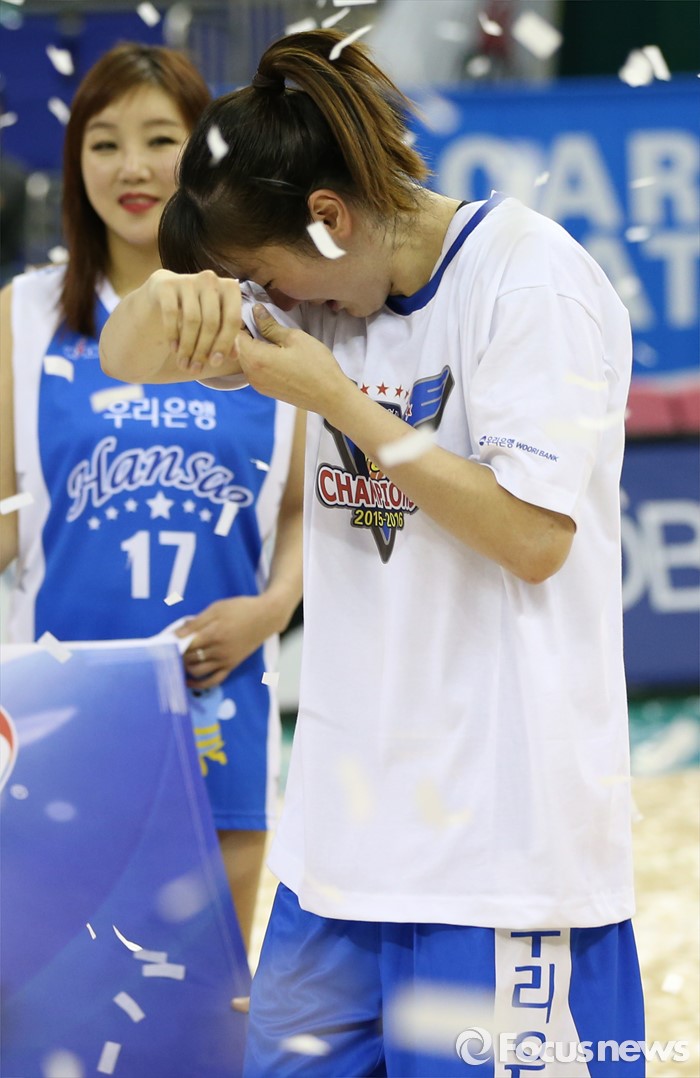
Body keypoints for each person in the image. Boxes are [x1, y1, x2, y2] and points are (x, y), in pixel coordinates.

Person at [99, 28, 644, 1076]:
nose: (272, 299)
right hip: (338, 861)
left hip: (500, 864)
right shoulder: (319, 291)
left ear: (329, 216)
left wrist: (342, 404)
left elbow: (533, 538)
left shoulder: (528, 281)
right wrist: (170, 297)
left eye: (265, 273)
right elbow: (129, 358)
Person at [0, 42, 305, 955]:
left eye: (160, 139)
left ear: (207, 157)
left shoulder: (275, 316)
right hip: (58, 700)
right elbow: (6, 516)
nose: (131, 167)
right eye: (104, 143)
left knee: (208, 992)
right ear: (75, 165)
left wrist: (271, 610)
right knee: (52, 994)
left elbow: (304, 505)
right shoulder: (21, 314)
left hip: (223, 696)